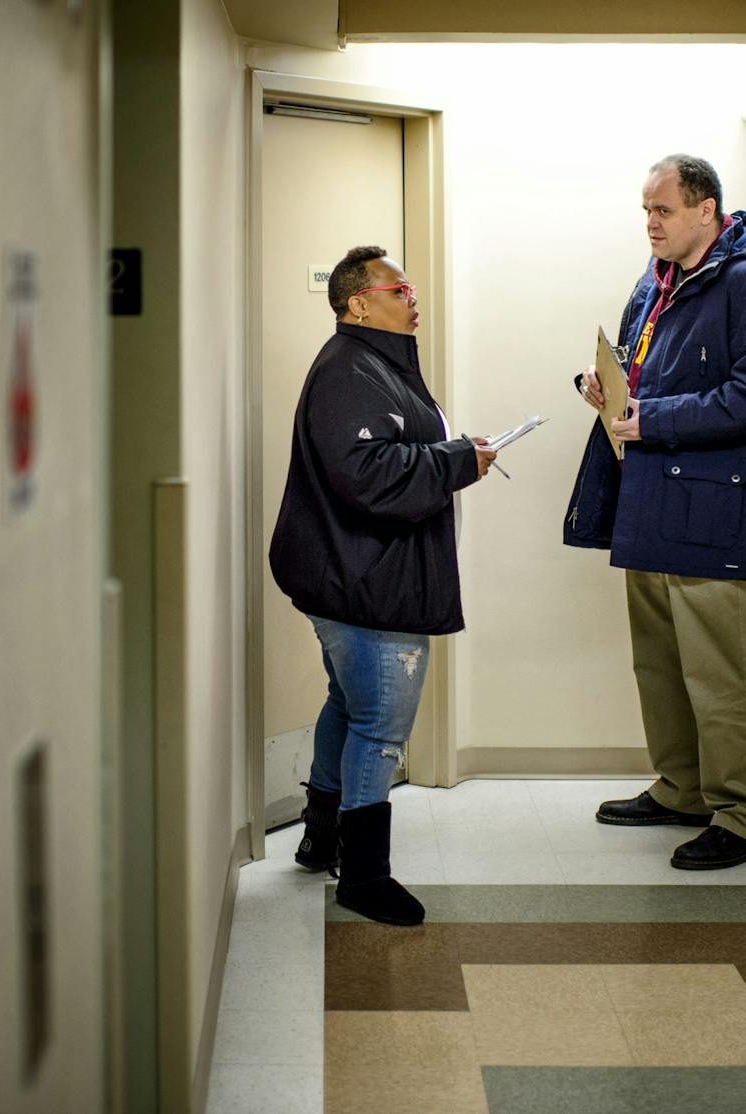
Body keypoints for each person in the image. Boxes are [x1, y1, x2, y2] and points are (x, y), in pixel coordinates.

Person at [564, 154, 746, 871]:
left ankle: (744, 817)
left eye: (662, 211)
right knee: (661, 665)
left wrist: (652, 415)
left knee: (721, 674)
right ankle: (683, 788)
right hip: (651, 501)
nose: (651, 224)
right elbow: (645, 368)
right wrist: (606, 388)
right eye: (646, 211)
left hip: (713, 513)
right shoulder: (658, 280)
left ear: (707, 210)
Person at [269, 245, 497, 925]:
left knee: (347, 704)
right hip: (367, 583)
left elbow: (390, 453)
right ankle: (364, 876)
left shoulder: (374, 365)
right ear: (358, 303)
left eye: (412, 287)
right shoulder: (349, 370)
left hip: (357, 575)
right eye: (399, 289)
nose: (412, 296)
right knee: (380, 727)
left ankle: (321, 836)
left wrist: (457, 455)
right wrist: (459, 460)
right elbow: (367, 472)